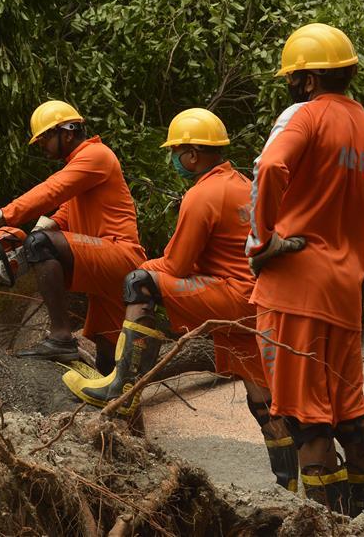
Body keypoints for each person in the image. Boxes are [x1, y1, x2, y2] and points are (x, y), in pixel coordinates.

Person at [63, 108, 298, 492]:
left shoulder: (203, 193)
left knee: (141, 282)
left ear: (191, 154)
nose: (173, 159)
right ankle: (289, 485)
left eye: (175, 152)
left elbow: (176, 264)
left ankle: (122, 389)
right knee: (263, 401)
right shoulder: (242, 184)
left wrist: (136, 268)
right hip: (254, 303)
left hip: (230, 297)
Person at [246, 23, 364, 515]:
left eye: (293, 77)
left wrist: (261, 240)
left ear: (308, 80)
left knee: (306, 420)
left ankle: (324, 521)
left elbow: (269, 169)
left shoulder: (307, 118)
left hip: (294, 293)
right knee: (351, 417)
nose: (290, 85)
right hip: (343, 295)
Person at [0, 100, 146, 372]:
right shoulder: (81, 168)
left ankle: (61, 338)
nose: (42, 146)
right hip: (104, 266)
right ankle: (120, 409)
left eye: (44, 139)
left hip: (119, 255)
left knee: (41, 244)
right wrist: (23, 245)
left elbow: (52, 190)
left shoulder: (95, 155)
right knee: (107, 359)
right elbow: (64, 213)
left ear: (67, 132)